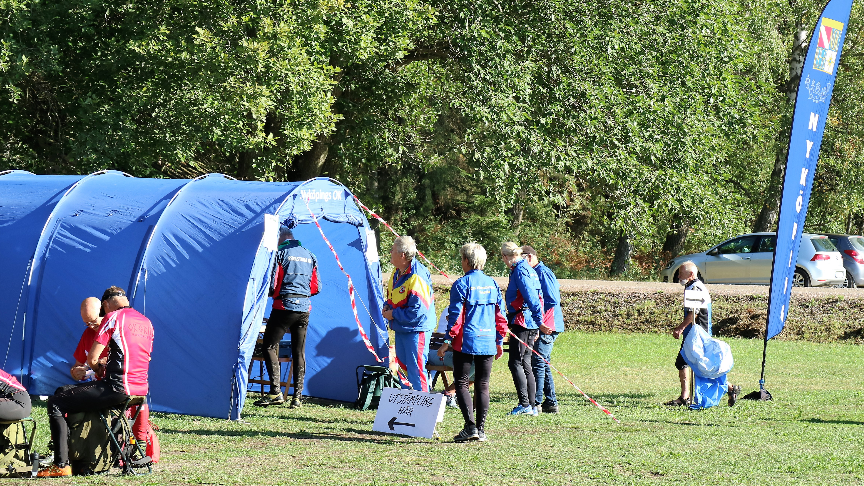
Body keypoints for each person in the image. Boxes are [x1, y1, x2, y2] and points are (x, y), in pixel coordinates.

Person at [39, 286, 154, 478]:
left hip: (117, 388)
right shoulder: (146, 322)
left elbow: (92, 360)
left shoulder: (113, 318)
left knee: (55, 401)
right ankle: (77, 452)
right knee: (65, 391)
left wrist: (97, 367)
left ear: (105, 305)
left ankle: (62, 463)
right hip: (140, 391)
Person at [437, 243, 508, 442]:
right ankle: (481, 429)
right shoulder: (493, 284)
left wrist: (447, 341)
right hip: (487, 341)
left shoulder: (461, 284)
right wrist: (499, 341)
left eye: (462, 259)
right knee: (483, 384)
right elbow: (500, 316)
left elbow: (455, 317)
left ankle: (470, 426)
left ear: (467, 261)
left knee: (461, 382)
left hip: (466, 341)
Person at [256, 226, 320, 408]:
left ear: (280, 238)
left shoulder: (280, 254)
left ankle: (276, 392)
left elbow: (273, 285)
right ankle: (297, 398)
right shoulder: (310, 255)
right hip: (304, 308)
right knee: (298, 352)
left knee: (268, 345)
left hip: (284, 306)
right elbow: (316, 287)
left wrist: (270, 294)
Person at [666, 261, 740, 407]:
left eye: (681, 273)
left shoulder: (696, 288)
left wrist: (680, 328)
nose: (679, 275)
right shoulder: (692, 286)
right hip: (696, 332)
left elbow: (694, 314)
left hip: (698, 334)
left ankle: (686, 397)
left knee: (695, 366)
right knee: (693, 365)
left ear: (691, 274)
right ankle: (729, 389)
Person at [383, 236, 436, 392]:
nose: (390, 252)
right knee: (404, 370)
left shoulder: (417, 276)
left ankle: (424, 412)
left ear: (402, 255)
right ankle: (407, 409)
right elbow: (393, 296)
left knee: (416, 369)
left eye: (392, 250)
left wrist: (393, 314)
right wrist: (387, 307)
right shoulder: (396, 272)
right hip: (402, 328)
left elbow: (417, 311)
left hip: (416, 330)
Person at [501, 242, 544, 416]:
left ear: (505, 257)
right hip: (529, 321)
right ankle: (532, 405)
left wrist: (539, 321)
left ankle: (525, 403)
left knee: (516, 362)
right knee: (525, 362)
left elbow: (532, 297)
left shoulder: (520, 271)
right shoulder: (528, 269)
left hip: (523, 321)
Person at [522, 245, 565, 414]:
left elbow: (552, 300)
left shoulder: (543, 272)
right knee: (543, 361)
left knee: (538, 361)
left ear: (530, 257)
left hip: (549, 325)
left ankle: (536, 402)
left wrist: (542, 325)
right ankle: (551, 402)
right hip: (544, 324)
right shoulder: (533, 273)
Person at [70, 297, 108, 382]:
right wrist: (76, 373)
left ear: (102, 312)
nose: (91, 326)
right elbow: (77, 365)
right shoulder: (88, 333)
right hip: (97, 386)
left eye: (94, 321)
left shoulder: (118, 332)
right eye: (87, 324)